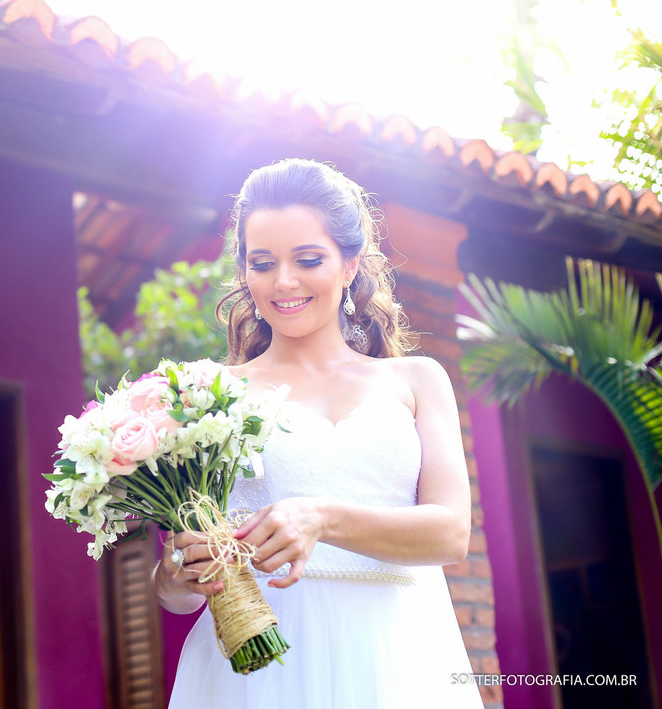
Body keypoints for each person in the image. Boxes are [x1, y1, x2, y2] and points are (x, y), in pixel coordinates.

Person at [153, 159, 483, 707]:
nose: (284, 282)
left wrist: (322, 517)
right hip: (259, 667)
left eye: (307, 259)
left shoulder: (418, 380)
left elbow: (451, 536)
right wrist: (177, 571)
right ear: (243, 273)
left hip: (399, 657)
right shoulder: (206, 394)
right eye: (262, 264)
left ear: (350, 264)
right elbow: (176, 594)